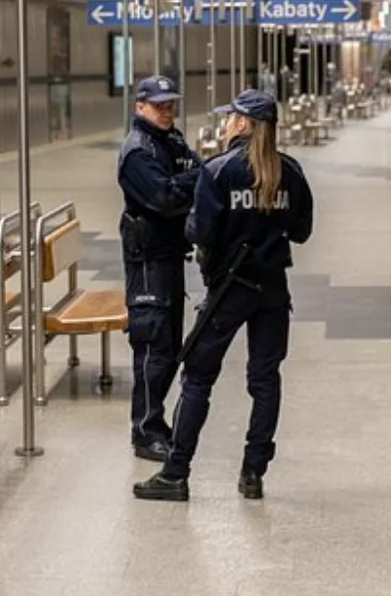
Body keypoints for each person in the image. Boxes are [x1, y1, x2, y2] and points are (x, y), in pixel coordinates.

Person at [133, 89, 314, 502]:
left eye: (232, 117)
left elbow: (199, 231)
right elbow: (301, 231)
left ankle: (176, 473)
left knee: (197, 377)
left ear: (243, 124)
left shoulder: (218, 171)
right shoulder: (291, 172)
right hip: (272, 290)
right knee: (265, 381)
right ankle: (253, 473)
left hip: (227, 291)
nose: (228, 122)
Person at [118, 75, 202, 461]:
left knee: (168, 349)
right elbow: (164, 198)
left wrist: (188, 180)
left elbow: (199, 176)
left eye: (171, 105)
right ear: (140, 106)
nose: (167, 111)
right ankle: (145, 431)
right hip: (148, 262)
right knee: (152, 348)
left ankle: (155, 423)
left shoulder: (172, 141)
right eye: (159, 105)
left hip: (169, 257)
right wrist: (191, 182)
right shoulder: (137, 152)